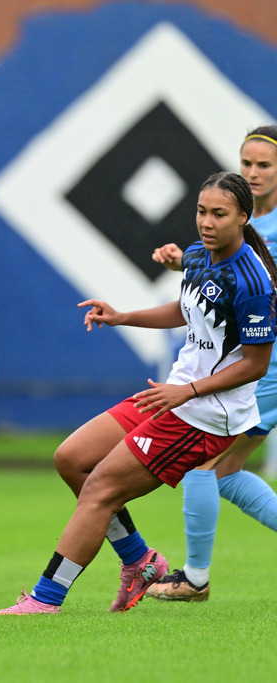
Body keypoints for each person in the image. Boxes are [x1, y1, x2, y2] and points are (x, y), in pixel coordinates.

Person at [0, 172, 277, 615]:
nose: (207, 221)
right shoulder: (199, 255)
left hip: (205, 415)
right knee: (72, 459)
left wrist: (189, 391)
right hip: (173, 397)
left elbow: (254, 365)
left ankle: (46, 599)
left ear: (243, 216)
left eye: (219, 214)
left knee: (101, 487)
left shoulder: (253, 283)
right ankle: (141, 561)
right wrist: (122, 316)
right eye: (202, 211)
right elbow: (186, 310)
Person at [145, 127, 277, 601]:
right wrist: (186, 263)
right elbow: (228, 281)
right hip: (252, 366)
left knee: (203, 466)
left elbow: (255, 291)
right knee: (223, 473)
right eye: (247, 162)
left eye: (264, 164)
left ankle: (194, 578)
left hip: (260, 368)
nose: (254, 172)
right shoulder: (240, 226)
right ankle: (193, 576)